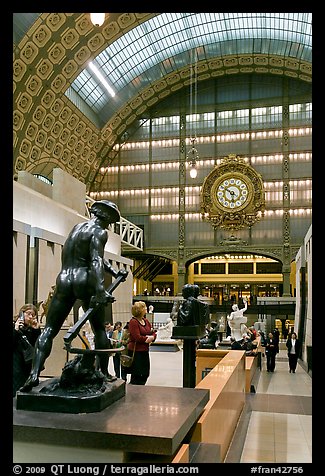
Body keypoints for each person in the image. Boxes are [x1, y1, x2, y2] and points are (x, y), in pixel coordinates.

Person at [20, 200, 128, 392]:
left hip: (64, 279)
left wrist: (113, 270)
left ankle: (34, 374)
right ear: (106, 218)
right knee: (100, 330)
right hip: (84, 281)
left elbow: (96, 258)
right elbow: (95, 260)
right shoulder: (99, 232)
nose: (109, 227)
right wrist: (100, 290)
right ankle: (103, 372)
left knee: (50, 329)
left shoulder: (77, 228)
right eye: (110, 222)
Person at [13, 304, 41, 397]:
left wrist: (37, 330)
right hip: (15, 363)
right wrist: (16, 330)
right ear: (21, 313)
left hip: (27, 363)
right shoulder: (14, 326)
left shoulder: (31, 330)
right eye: (28, 314)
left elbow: (36, 346)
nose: (31, 317)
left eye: (33, 315)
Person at [127, 301, 156, 385]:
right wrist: (147, 339)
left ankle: (139, 390)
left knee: (145, 374)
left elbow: (152, 331)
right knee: (137, 375)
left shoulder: (146, 321)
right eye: (144, 307)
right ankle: (134, 392)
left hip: (144, 351)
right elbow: (137, 337)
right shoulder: (133, 322)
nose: (146, 309)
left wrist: (152, 337)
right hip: (136, 352)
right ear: (139, 310)